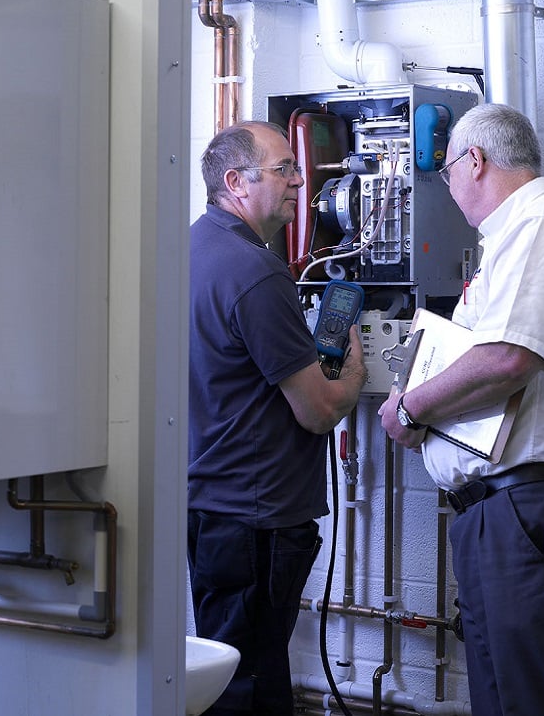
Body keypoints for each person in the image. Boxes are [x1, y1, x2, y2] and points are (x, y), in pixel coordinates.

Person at [379, 103, 544, 716]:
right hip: (508, 511)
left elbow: (509, 358)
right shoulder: (514, 238)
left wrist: (410, 410)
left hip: (534, 509)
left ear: (475, 161)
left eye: (445, 172)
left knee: (542, 704)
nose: (447, 187)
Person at [188, 120, 366, 715]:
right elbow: (318, 410)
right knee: (252, 683)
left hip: (208, 507)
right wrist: (354, 373)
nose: (299, 180)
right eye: (284, 169)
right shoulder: (257, 272)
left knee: (229, 669)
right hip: (256, 516)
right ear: (236, 182)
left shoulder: (188, 251)